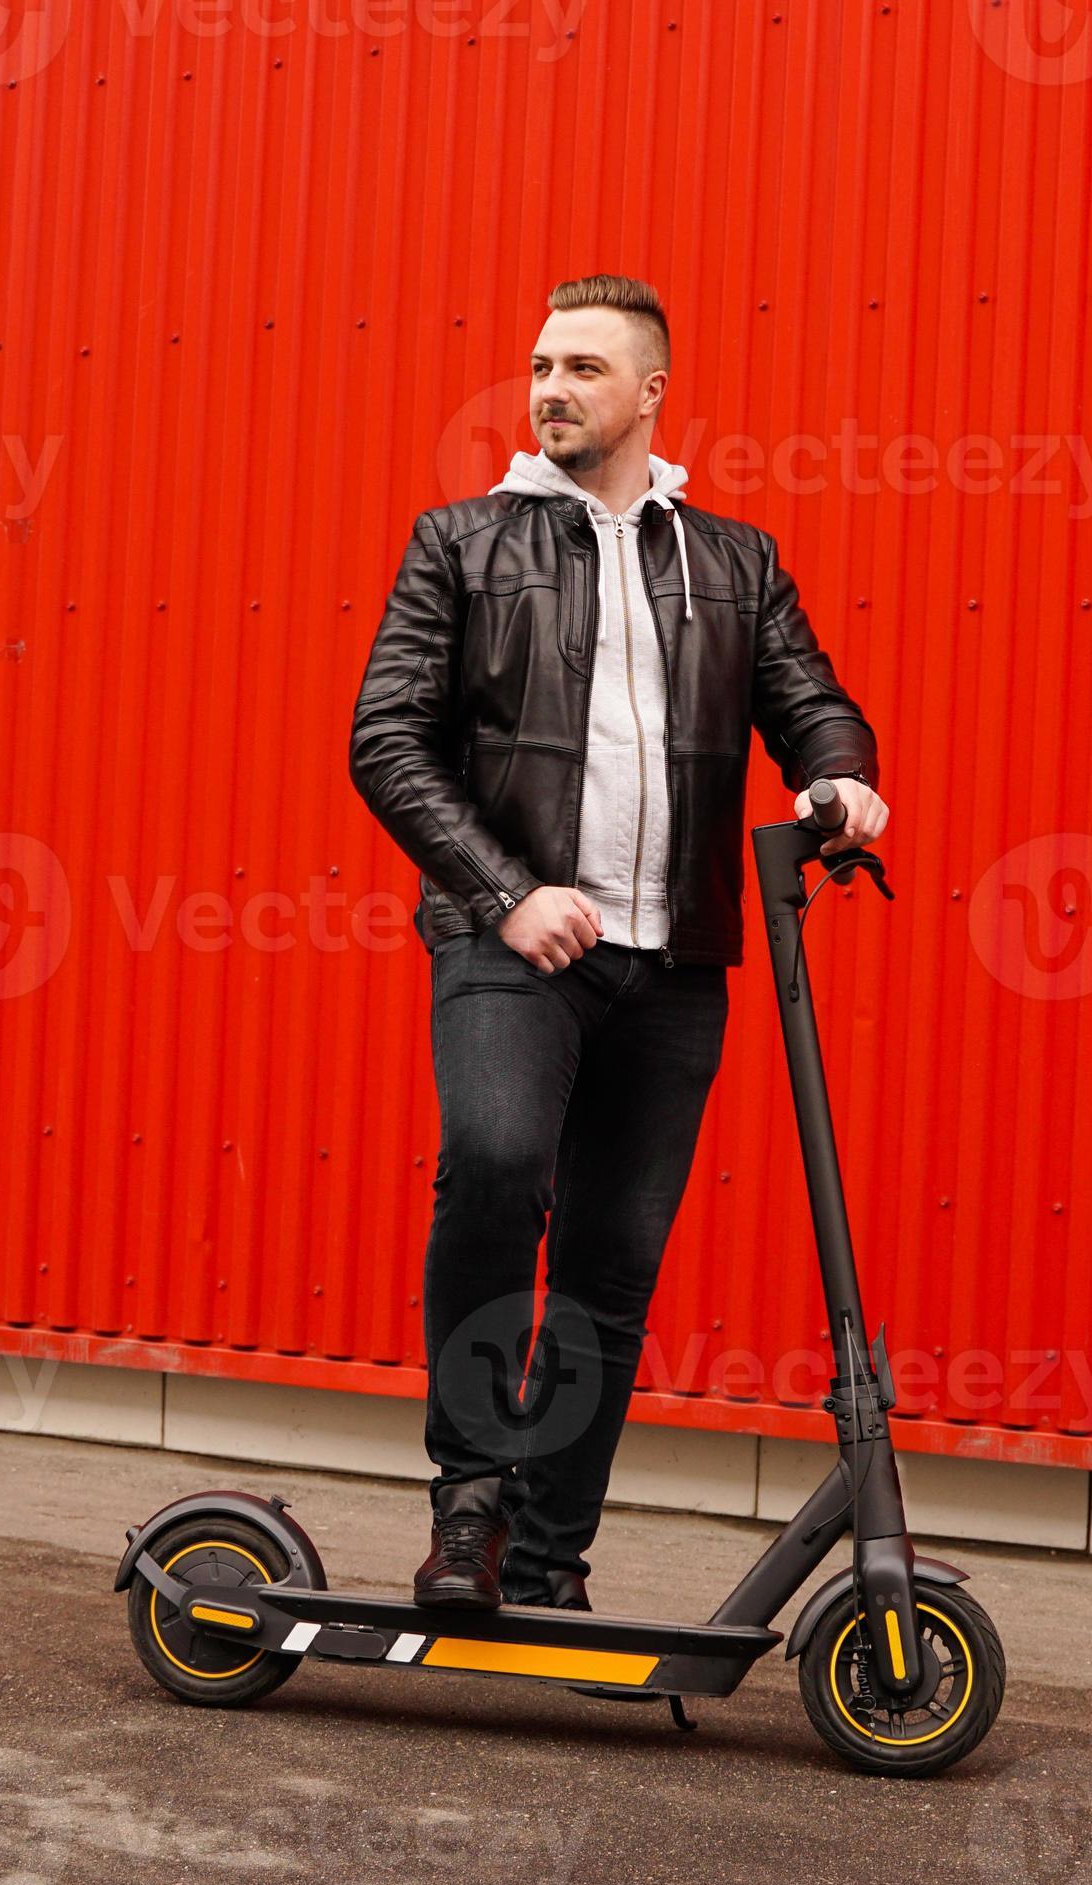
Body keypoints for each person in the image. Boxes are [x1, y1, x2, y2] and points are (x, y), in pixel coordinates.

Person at [348, 275, 890, 1611]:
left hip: (673, 964)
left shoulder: (734, 563)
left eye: (582, 368)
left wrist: (838, 775)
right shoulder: (461, 543)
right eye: (541, 366)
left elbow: (812, 703)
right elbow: (387, 740)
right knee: (494, 1167)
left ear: (650, 393)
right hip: (512, 945)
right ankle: (470, 1512)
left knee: (610, 1264)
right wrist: (506, 892)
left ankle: (547, 1560)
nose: (550, 389)